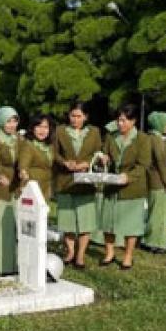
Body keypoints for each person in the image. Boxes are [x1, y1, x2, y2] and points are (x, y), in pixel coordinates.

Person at [100, 104, 150, 270]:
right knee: (108, 222)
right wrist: (104, 158)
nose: (120, 123)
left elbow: (143, 165)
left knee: (131, 224)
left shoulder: (143, 139)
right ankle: (109, 253)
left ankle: (128, 256)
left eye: (124, 120)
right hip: (112, 186)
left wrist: (128, 177)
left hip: (132, 188)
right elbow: (104, 153)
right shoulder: (111, 137)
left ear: (133, 121)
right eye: (118, 120)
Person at [54, 102, 102, 269]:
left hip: (85, 181)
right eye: (72, 116)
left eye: (79, 116)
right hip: (65, 180)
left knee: (85, 220)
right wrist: (64, 162)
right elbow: (54, 152)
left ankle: (81, 255)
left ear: (86, 117)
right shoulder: (60, 131)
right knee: (67, 220)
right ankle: (70, 252)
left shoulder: (94, 132)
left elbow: (98, 153)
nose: (75, 119)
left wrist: (86, 163)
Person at [0, 107, 21, 275]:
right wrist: (0, 174)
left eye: (14, 121)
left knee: (11, 226)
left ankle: (12, 263)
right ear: (1, 122)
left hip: (15, 185)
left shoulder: (18, 139)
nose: (12, 125)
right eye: (8, 121)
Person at [141, 111, 166, 254]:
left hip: (153, 180)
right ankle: (156, 242)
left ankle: (150, 240)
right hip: (159, 182)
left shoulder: (150, 138)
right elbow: (161, 162)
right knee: (159, 213)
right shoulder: (157, 140)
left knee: (154, 211)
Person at [18, 114, 55, 201]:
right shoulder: (28, 145)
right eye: (39, 126)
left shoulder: (49, 146)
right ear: (33, 128)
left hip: (46, 188)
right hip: (32, 188)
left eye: (45, 127)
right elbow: (23, 164)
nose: (42, 130)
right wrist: (23, 172)